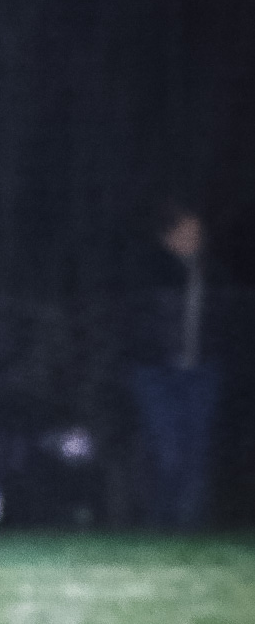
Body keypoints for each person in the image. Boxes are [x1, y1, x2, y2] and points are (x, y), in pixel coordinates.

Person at [128, 198, 220, 529]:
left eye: (198, 232)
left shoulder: (214, 272)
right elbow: (134, 321)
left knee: (197, 449)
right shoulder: (149, 269)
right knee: (167, 448)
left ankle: (190, 526)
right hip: (157, 372)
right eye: (186, 232)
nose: (195, 239)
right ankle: (161, 521)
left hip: (202, 373)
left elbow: (228, 321)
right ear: (168, 236)